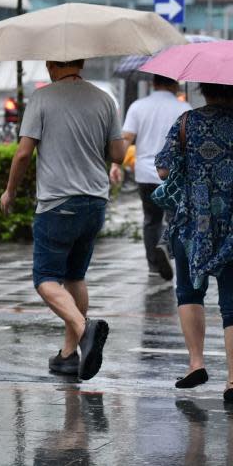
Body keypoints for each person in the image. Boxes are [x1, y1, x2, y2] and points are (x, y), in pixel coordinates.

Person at [0, 59, 125, 380]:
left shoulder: (42, 98)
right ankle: (69, 355)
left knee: (46, 278)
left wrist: (10, 191)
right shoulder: (104, 99)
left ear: (52, 65)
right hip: (95, 201)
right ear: (81, 63)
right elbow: (118, 155)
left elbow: (24, 153)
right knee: (75, 277)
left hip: (58, 203)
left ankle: (85, 330)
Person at [155, 82, 233, 397]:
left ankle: (196, 364)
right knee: (231, 302)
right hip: (230, 223)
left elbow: (162, 169)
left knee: (188, 292)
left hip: (191, 222)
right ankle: (232, 381)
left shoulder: (187, 121)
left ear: (203, 88)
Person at [110, 75, 191, 280]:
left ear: (153, 83)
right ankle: (165, 246)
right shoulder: (184, 109)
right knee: (176, 219)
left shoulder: (138, 106)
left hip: (145, 172)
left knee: (151, 220)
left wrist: (114, 165)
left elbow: (126, 138)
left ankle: (153, 266)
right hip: (174, 175)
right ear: (174, 84)